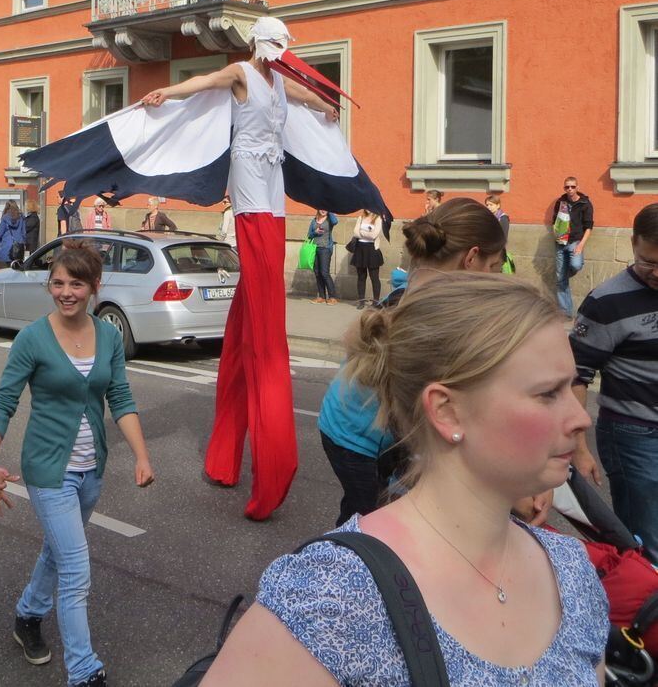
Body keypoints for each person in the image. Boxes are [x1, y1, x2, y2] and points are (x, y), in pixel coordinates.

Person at [204, 273, 609, 686]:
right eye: (547, 394)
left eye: (571, 388)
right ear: (447, 411)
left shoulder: (570, 572)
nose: (581, 418)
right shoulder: (335, 594)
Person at [141, 17, 343, 519]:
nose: (280, 52)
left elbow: (308, 99)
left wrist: (328, 107)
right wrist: (165, 91)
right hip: (249, 188)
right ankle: (251, 459)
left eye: (284, 46)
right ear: (258, 43)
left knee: (252, 313)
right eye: (275, 44)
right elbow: (200, 84)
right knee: (264, 314)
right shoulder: (240, 72)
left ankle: (223, 459)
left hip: (272, 189)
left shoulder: (279, 81)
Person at [0, 239, 154, 687]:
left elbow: (120, 397)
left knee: (58, 552)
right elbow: (4, 401)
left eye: (76, 283)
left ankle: (27, 616)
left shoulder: (109, 335)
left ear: (94, 286)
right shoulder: (33, 338)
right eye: (58, 283)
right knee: (76, 568)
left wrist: (140, 455)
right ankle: (84, 670)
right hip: (47, 469)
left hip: (90, 469)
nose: (66, 292)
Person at [320, 198, 506, 525]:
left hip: (365, 432)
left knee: (371, 514)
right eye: (493, 269)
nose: (494, 280)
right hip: (356, 439)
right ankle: (336, 565)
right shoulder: (425, 314)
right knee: (370, 524)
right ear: (472, 258)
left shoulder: (423, 293)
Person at [570, 203, 658, 564]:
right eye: (648, 262)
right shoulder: (606, 302)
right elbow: (575, 375)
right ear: (633, 242)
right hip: (634, 436)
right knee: (647, 538)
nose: (657, 274)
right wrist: (578, 445)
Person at [552, 176, 594, 317]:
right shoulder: (560, 202)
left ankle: (568, 269)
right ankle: (565, 312)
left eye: (572, 187)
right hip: (560, 243)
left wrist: (581, 245)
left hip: (576, 241)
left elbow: (588, 227)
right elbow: (555, 221)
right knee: (560, 280)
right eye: (567, 187)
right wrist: (556, 233)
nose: (569, 189)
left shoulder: (585, 203)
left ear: (577, 187)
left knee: (575, 265)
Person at [350, 209, 384, 308]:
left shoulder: (378, 218)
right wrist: (367, 232)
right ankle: (361, 301)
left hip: (372, 250)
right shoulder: (360, 217)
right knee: (361, 277)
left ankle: (376, 301)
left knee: (374, 277)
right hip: (360, 249)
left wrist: (362, 232)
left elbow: (374, 235)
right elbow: (355, 232)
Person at [307, 209, 337, 304]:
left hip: (325, 249)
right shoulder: (314, 220)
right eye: (321, 208)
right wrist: (315, 232)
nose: (323, 210)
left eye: (325, 208)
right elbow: (309, 235)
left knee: (324, 273)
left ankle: (332, 297)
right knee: (317, 273)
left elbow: (335, 221)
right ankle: (322, 296)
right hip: (315, 249)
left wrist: (329, 209)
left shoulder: (330, 220)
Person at [0, 201, 26, 269]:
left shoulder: (5, 219)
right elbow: (24, 233)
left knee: (4, 270)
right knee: (16, 270)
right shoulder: (21, 218)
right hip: (19, 248)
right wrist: (23, 243)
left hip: (6, 248)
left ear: (6, 208)